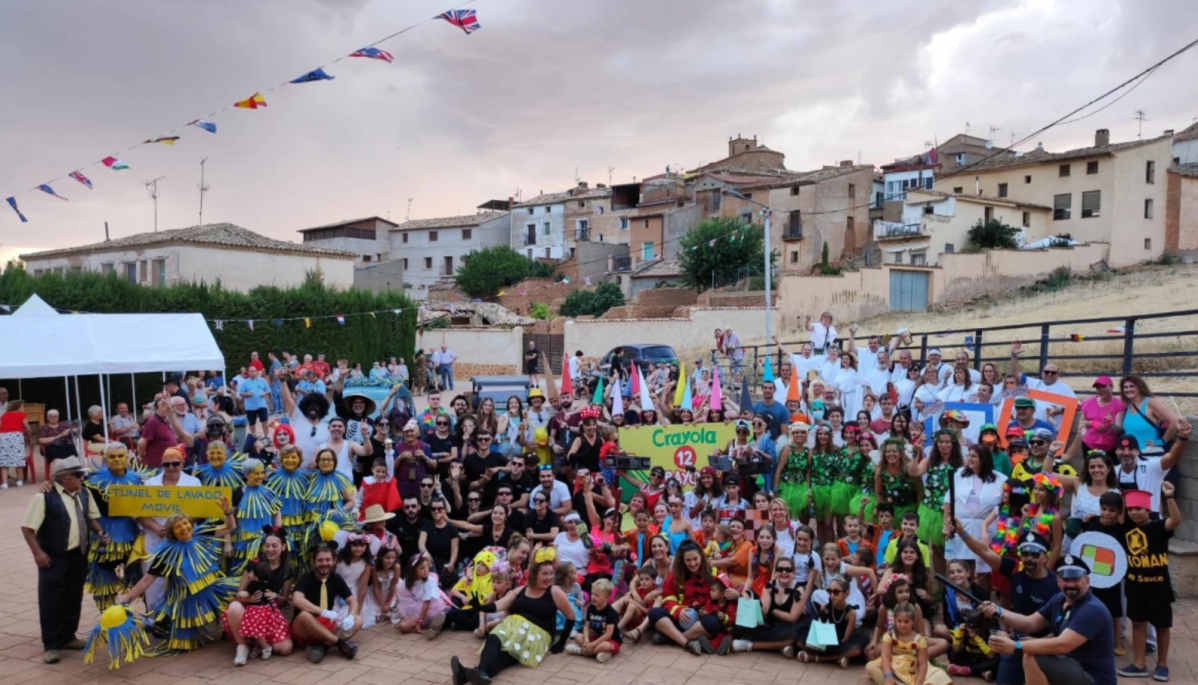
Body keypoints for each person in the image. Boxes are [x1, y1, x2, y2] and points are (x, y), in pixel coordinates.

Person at [21, 457, 107, 664]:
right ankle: (51, 644)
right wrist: (37, 553)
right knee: (51, 599)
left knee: (73, 595)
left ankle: (68, 636)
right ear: (64, 478)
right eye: (78, 475)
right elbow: (27, 528)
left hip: (78, 554)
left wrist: (100, 531)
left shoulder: (84, 493)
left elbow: (92, 518)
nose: (82, 478)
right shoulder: (44, 497)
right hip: (54, 556)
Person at [449, 547, 575, 685]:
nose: (549, 578)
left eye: (551, 574)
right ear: (534, 574)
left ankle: (468, 673)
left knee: (507, 654)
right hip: (512, 625)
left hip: (537, 632)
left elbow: (571, 616)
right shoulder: (522, 590)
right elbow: (499, 604)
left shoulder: (554, 591)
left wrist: (561, 643)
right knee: (492, 639)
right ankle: (476, 673)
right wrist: (479, 606)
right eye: (544, 574)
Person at [984, 555, 1115, 685]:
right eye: (1065, 579)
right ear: (1058, 581)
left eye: (1076, 579)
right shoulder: (1059, 599)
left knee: (1032, 656)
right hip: (1073, 668)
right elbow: (1030, 623)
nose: (1071, 584)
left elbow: (1063, 645)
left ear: (1087, 581)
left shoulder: (1092, 609)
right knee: (1030, 651)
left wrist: (1015, 646)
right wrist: (998, 611)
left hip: (1094, 679)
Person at [1118, 484, 1180, 680]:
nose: (1134, 512)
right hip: (1135, 585)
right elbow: (1117, 514)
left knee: (1162, 625)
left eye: (1138, 509)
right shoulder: (1126, 527)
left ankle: (1162, 665)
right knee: (1137, 623)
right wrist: (1122, 498)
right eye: (1131, 509)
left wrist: (1169, 497)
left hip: (1158, 585)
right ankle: (1139, 663)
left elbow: (1176, 520)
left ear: (1148, 510)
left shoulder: (1158, 527)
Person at [222, 529, 295, 666]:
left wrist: (276, 596)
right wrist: (249, 600)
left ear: (283, 547)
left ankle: (258, 642)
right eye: (267, 546)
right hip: (250, 609)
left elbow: (284, 599)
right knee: (234, 607)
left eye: (275, 546)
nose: (270, 549)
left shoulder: (288, 569)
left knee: (285, 648)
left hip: (268, 611)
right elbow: (240, 593)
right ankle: (243, 646)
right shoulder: (254, 563)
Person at [290, 543, 362, 663]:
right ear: (314, 562)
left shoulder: (336, 578)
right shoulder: (306, 578)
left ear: (334, 561)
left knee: (358, 620)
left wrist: (351, 616)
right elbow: (297, 600)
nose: (324, 563)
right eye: (320, 560)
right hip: (304, 629)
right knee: (304, 615)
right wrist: (323, 612)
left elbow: (352, 601)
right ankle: (340, 643)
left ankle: (323, 647)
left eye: (328, 559)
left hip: (325, 625)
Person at [1115, 374, 1181, 457]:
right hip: (1131, 456)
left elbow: (1174, 420)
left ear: (1139, 387)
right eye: (1125, 387)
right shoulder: (1128, 405)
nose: (1128, 389)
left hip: (1149, 455)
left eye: (1132, 386)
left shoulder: (1150, 403)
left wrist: (1162, 441)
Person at [0, 399, 30, 488]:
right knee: (18, 458)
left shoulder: (4, 415)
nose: (24, 408)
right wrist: (29, 434)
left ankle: (5, 483)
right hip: (16, 436)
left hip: (3, 437)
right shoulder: (22, 415)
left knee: (4, 460)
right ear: (18, 407)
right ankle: (19, 480)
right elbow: (26, 426)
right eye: (22, 406)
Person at [239, 365, 271, 438]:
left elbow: (268, 390)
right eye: (251, 371)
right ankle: (254, 437)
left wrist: (264, 393)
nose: (253, 373)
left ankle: (266, 436)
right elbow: (240, 393)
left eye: (254, 371)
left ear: (257, 372)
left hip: (261, 405)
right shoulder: (245, 382)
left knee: (265, 420)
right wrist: (247, 394)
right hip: (250, 407)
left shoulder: (262, 380)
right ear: (248, 373)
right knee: (252, 422)